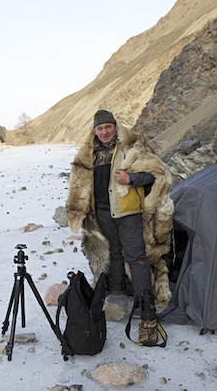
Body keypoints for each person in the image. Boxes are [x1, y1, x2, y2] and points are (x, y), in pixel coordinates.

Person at [66, 109, 174, 345]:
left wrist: (131, 179)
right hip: (101, 214)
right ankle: (116, 298)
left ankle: (147, 314)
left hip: (127, 213)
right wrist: (80, 209)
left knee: (137, 258)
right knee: (112, 254)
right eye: (99, 128)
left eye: (107, 127)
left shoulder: (129, 148)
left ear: (114, 127)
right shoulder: (88, 153)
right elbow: (79, 183)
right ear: (94, 131)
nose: (104, 132)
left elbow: (155, 174)